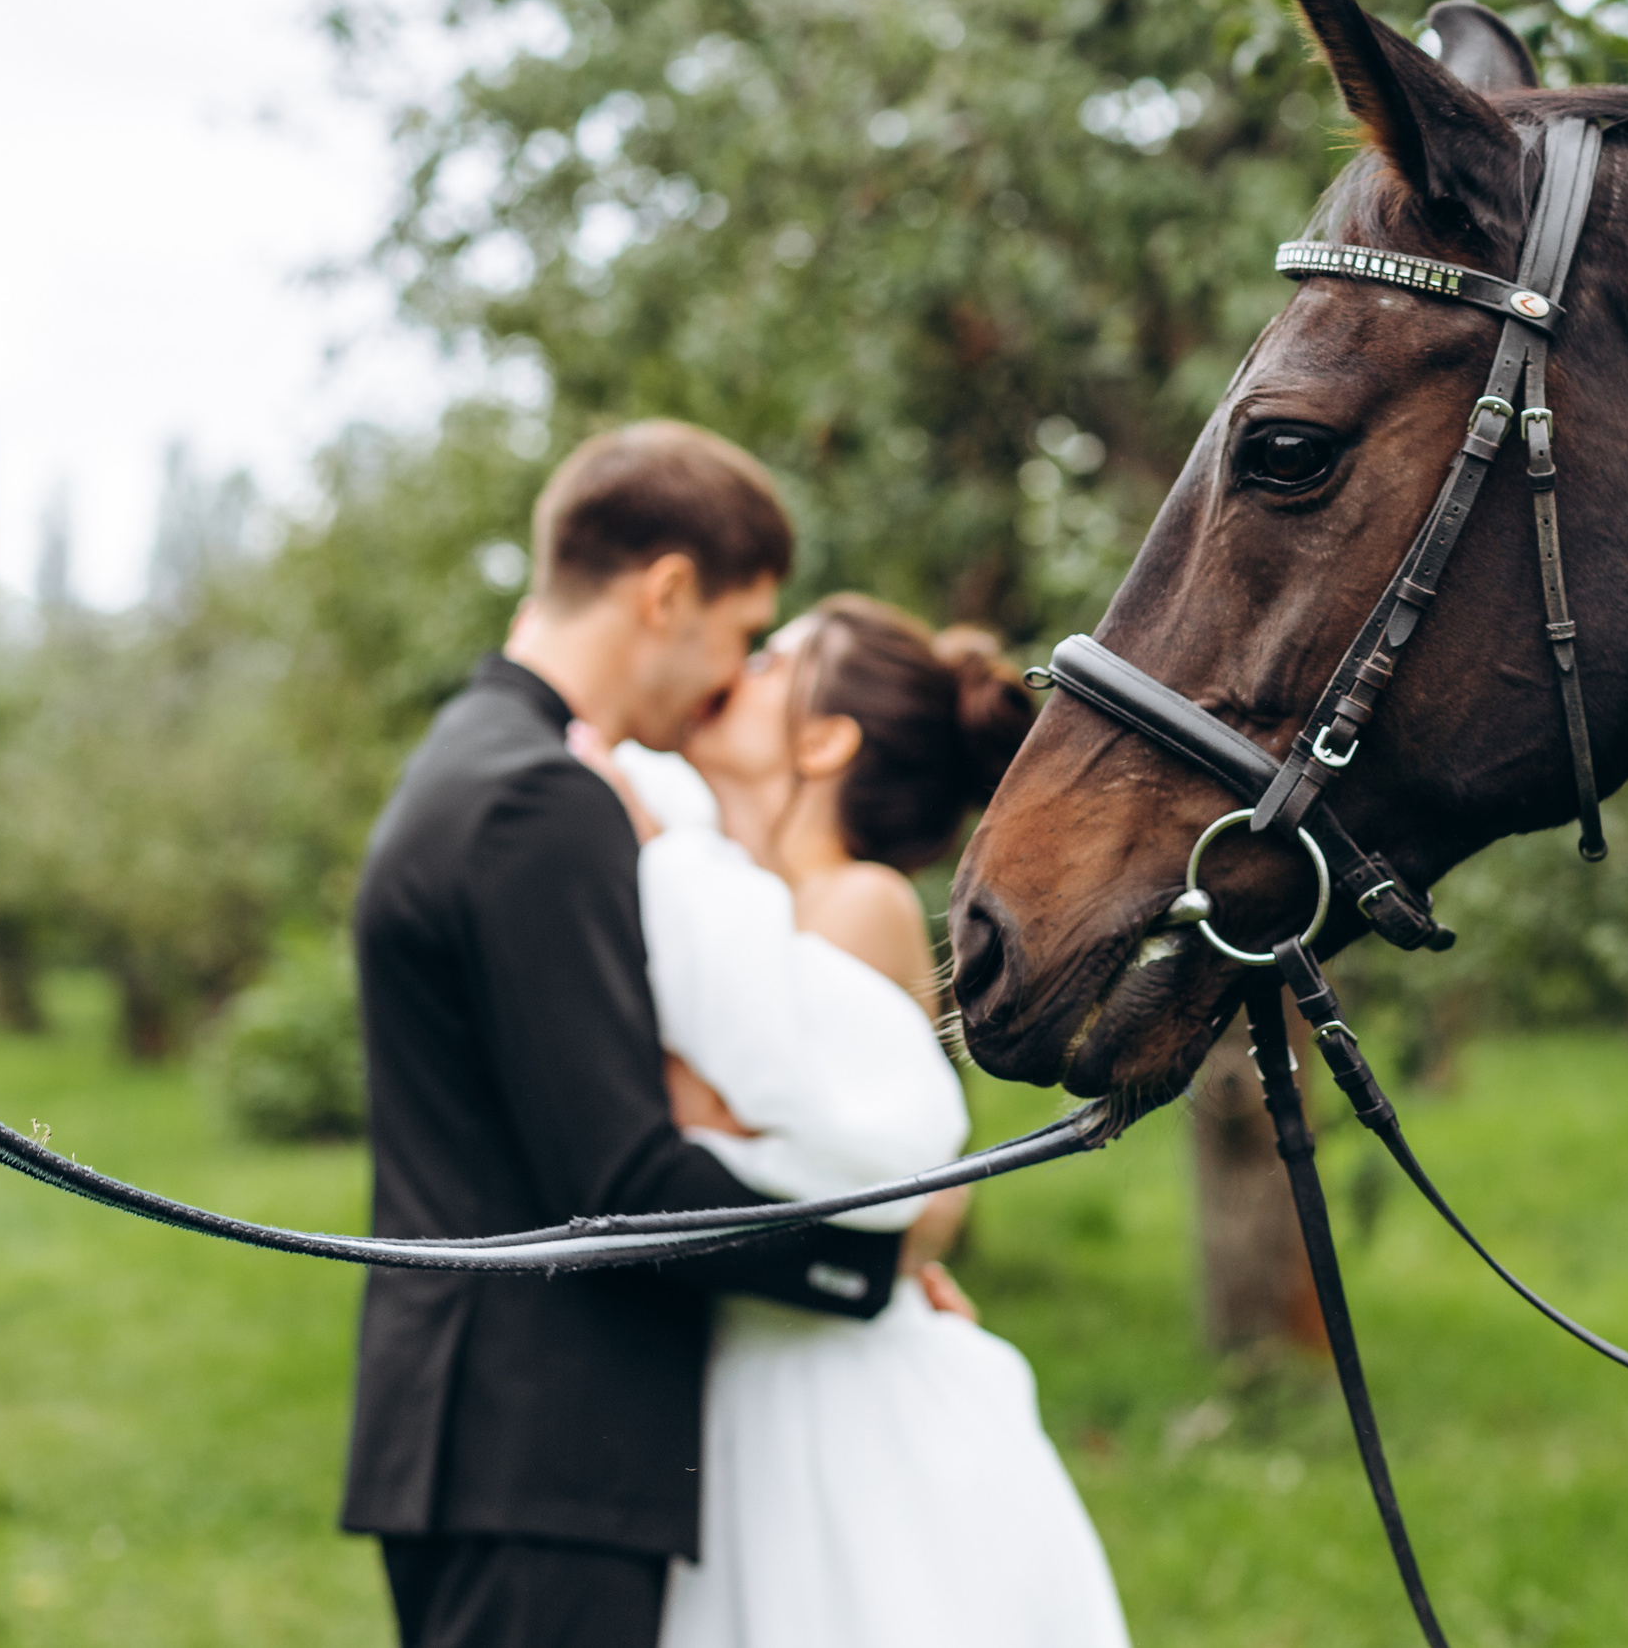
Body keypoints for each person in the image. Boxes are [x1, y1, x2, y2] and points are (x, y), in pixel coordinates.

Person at [340, 424, 907, 1648]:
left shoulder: (470, 757)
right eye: (744, 635)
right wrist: (867, 1265)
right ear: (666, 593)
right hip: (540, 1441)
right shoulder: (544, 798)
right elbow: (614, 1182)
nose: (729, 677)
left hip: (475, 1434)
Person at [579, 593, 1131, 1648]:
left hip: (831, 1397)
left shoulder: (855, 900)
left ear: (827, 738)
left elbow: (749, 1122)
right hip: (741, 1365)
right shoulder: (734, 891)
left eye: (773, 661)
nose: (733, 669)